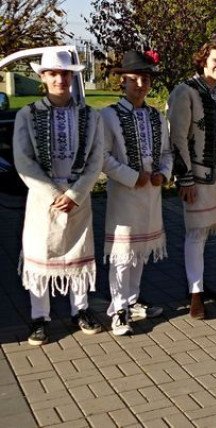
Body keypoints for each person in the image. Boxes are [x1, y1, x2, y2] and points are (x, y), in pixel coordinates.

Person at [14, 51, 104, 345]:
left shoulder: (90, 116)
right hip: (43, 199)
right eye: (53, 73)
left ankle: (81, 310)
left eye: (64, 74)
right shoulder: (27, 115)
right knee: (41, 252)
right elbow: (23, 160)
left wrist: (76, 193)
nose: (59, 79)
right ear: (42, 77)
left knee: (78, 253)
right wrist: (53, 194)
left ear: (72, 77)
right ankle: (40, 316)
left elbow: (96, 158)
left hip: (79, 196)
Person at [101, 50, 171, 336]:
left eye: (145, 78)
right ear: (123, 81)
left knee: (140, 251)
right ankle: (117, 309)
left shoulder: (156, 116)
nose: (140, 84)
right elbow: (103, 157)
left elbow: (167, 152)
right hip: (124, 195)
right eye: (134, 79)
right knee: (121, 253)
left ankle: (132, 300)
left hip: (150, 195)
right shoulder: (108, 115)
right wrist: (132, 177)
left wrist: (163, 174)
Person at [168, 41, 216, 319]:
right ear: (203, 61)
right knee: (195, 233)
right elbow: (177, 137)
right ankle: (195, 295)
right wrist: (185, 179)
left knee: (204, 234)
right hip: (195, 176)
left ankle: (199, 285)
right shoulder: (186, 91)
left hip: (215, 177)